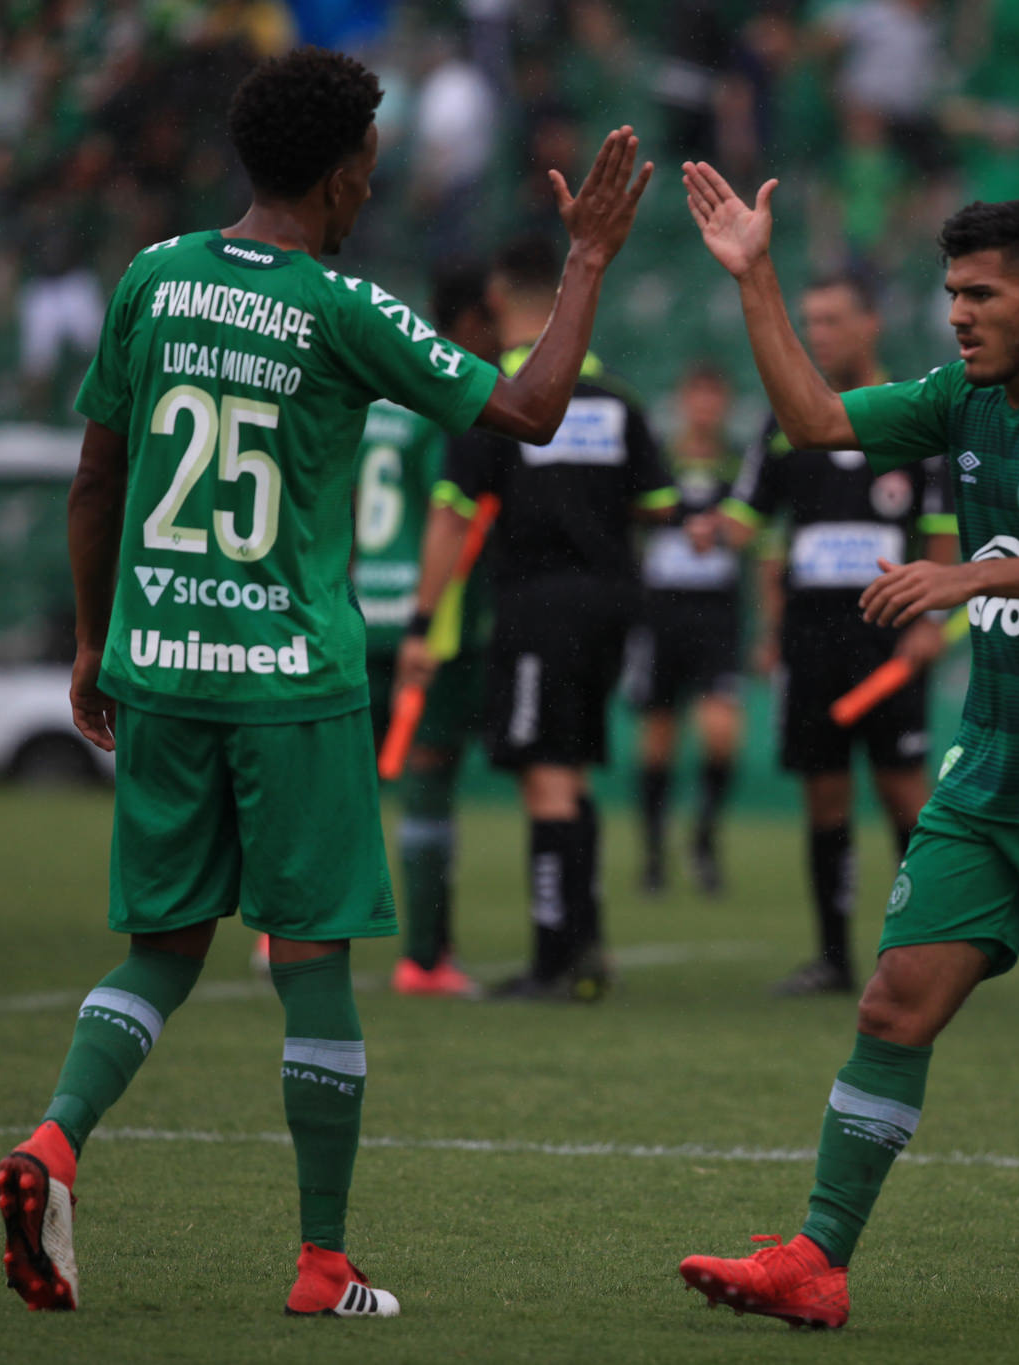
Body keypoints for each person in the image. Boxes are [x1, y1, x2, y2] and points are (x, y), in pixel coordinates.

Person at [0, 47, 651, 1317]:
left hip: (162, 665)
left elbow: (95, 482)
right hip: (291, 679)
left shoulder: (151, 279)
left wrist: (91, 644)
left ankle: (55, 1142)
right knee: (312, 962)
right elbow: (528, 411)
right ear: (348, 176)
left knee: (162, 951)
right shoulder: (341, 306)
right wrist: (585, 263)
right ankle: (322, 1263)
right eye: (371, 166)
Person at [677, 172, 1019, 1343]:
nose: (957, 314)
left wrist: (963, 577)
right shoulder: (957, 399)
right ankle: (817, 1259)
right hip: (988, 775)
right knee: (892, 1002)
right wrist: (754, 276)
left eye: (980, 294)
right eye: (949, 293)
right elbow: (814, 421)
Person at [397, 235, 677, 1003]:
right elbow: (658, 508)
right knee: (575, 773)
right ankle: (586, 945)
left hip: (534, 606)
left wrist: (422, 627)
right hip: (612, 606)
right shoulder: (621, 401)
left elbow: (451, 521)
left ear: (498, 304)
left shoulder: (498, 396)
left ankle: (555, 961)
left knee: (545, 780)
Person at [686, 273, 956, 997]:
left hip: (888, 641)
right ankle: (834, 958)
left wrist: (933, 624)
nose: (820, 335)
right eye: (811, 321)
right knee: (825, 798)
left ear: (870, 325)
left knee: (906, 796)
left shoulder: (914, 418)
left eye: (833, 320)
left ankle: (921, 955)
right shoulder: (784, 424)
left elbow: (941, 537)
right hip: (811, 639)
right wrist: (711, 529)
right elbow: (746, 519)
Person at [352, 261, 502, 997]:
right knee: (429, 788)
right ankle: (425, 957)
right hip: (427, 621)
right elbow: (453, 510)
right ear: (472, 324)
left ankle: (280, 934)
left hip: (357, 610)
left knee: (340, 783)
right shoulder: (450, 397)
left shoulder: (377, 396)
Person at [631, 361, 746, 897]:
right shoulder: (658, 459)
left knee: (721, 735)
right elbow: (635, 515)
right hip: (661, 609)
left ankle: (704, 837)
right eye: (695, 397)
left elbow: (757, 531)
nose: (704, 408)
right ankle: (653, 853)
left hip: (717, 612)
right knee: (657, 737)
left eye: (713, 397)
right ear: (682, 401)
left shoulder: (738, 465)